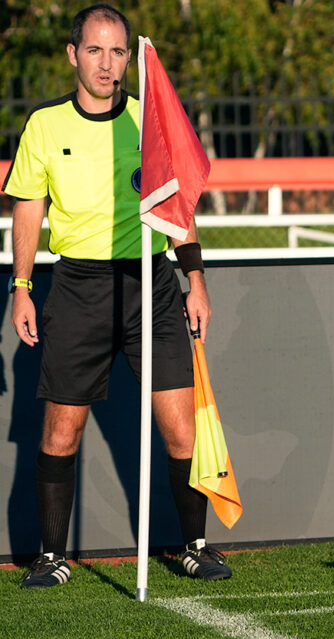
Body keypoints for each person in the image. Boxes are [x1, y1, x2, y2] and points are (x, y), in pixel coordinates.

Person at [2, 4, 231, 588]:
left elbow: (179, 206)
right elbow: (28, 208)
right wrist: (21, 287)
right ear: (73, 55)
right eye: (96, 51)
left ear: (130, 57)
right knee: (61, 431)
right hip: (76, 288)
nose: (108, 64)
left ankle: (194, 546)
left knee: (183, 430)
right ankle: (52, 556)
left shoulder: (147, 120)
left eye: (119, 51)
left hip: (150, 285)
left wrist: (194, 279)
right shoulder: (45, 126)